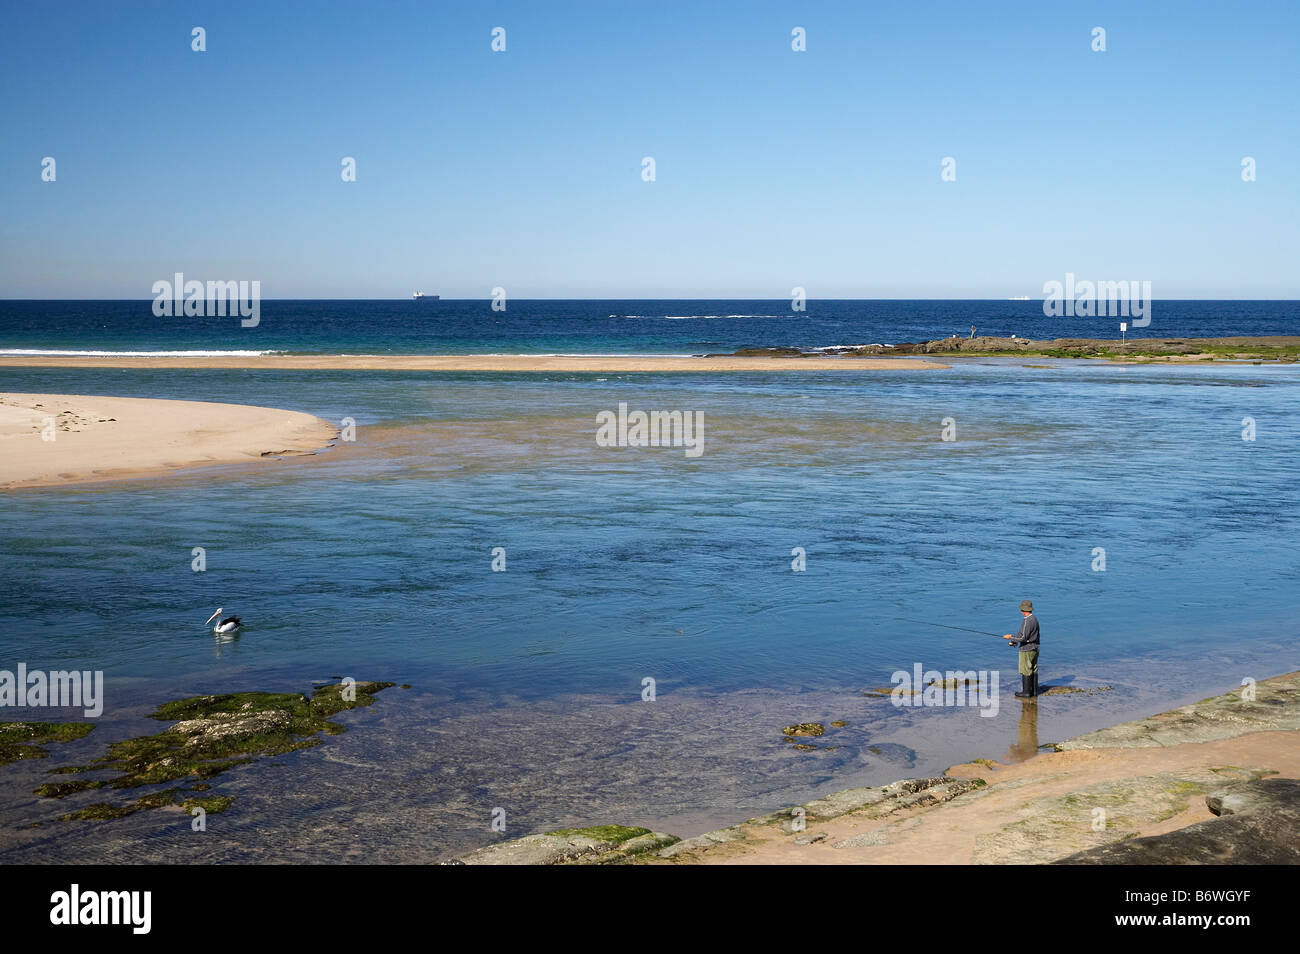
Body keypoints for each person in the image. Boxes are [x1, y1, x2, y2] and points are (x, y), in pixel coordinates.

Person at [1002, 600, 1039, 698]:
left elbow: (1023, 638)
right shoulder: (1034, 619)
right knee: (1033, 669)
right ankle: (1034, 691)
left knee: (1025, 669)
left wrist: (1010, 637)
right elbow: (1023, 635)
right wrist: (1015, 640)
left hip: (1027, 649)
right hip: (1035, 647)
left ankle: (1026, 692)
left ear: (1023, 610)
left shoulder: (1027, 621)